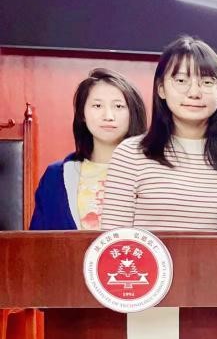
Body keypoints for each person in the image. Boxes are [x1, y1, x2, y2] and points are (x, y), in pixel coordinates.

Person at [101, 36, 217, 230]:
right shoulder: (129, 155)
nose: (194, 93)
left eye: (206, 82)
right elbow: (113, 240)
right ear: (161, 89)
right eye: (181, 80)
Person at [30, 68, 146, 230]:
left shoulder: (153, 172)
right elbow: (36, 241)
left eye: (118, 106)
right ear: (82, 114)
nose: (108, 116)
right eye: (97, 105)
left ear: (133, 114)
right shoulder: (56, 176)